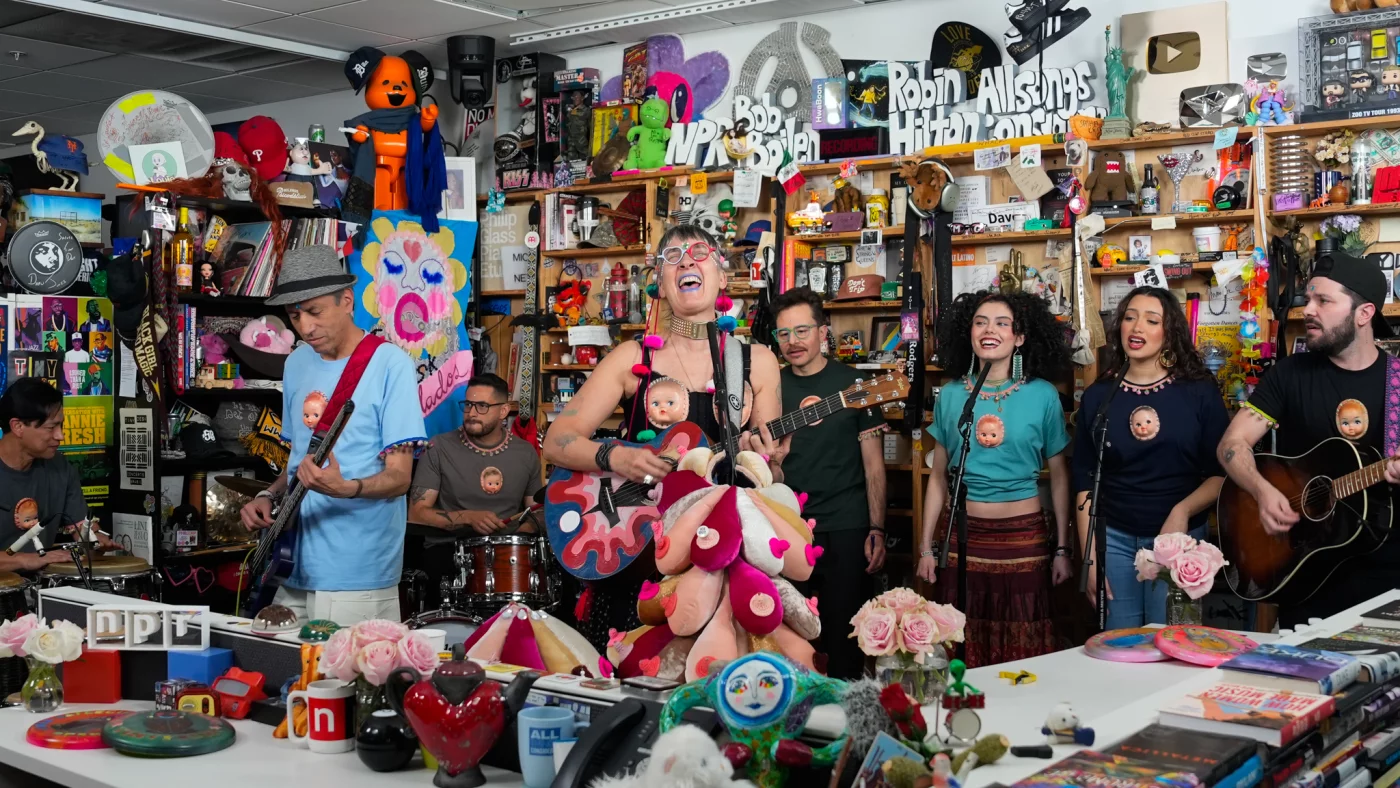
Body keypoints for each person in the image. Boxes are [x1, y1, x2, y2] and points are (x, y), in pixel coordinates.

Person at [542, 224, 786, 652]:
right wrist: (615, 457)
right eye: (672, 257)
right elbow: (556, 440)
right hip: (640, 556)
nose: (686, 261)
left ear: (722, 275)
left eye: (698, 253)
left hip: (723, 558)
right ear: (659, 282)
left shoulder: (757, 362)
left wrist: (768, 462)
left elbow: (773, 473)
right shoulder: (632, 358)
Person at [239, 244, 426, 627]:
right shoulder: (296, 362)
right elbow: (300, 462)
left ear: (347, 301)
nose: (305, 327)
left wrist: (346, 488)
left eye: (315, 311)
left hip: (357, 572)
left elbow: (399, 477)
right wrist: (268, 495)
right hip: (290, 562)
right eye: (294, 315)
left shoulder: (390, 364)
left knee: (347, 667)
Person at [1218, 253, 1400, 626]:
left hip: (1386, 578)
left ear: (1364, 313)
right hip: (1304, 574)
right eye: (1308, 299)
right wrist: (1261, 491)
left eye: (1324, 301)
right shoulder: (1289, 375)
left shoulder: (1397, 380)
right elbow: (1231, 445)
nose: (1308, 310)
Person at [917, 290, 1072, 667]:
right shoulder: (951, 395)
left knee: (1023, 648)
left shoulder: (1043, 395)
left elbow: (1060, 478)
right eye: (981, 322)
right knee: (960, 642)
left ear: (1020, 337)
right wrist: (925, 548)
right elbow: (938, 478)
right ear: (969, 333)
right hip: (962, 537)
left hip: (1023, 538)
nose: (990, 330)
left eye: (1003, 323)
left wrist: (1063, 549)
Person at [1073, 287, 1229, 628]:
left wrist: (1181, 511)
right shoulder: (1100, 395)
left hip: (1180, 538)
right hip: (1113, 538)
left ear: (1169, 332)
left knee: (1175, 641)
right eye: (1129, 317)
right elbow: (1084, 479)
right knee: (1121, 644)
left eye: (1151, 320)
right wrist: (1090, 559)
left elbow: (1222, 473)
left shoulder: (1199, 390)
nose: (1137, 327)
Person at [769, 287, 887, 680]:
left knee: (844, 640)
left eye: (802, 330)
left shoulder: (855, 383)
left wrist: (877, 528)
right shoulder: (770, 388)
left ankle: (847, 714)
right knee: (789, 641)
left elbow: (874, 466)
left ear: (823, 331)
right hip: (785, 529)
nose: (793, 341)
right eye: (784, 333)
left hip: (845, 526)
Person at [408, 373, 542, 609]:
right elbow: (417, 513)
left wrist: (522, 534)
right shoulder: (438, 447)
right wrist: (468, 517)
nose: (471, 413)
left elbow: (537, 510)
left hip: (509, 555)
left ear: (503, 411)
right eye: (468, 404)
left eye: (482, 406)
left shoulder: (526, 453)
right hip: (449, 551)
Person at [0, 378, 116, 574]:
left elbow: (81, 529)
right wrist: (26, 560)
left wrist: (95, 540)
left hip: (41, 586)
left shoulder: (60, 467)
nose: (60, 436)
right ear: (18, 426)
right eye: (50, 428)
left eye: (61, 426)